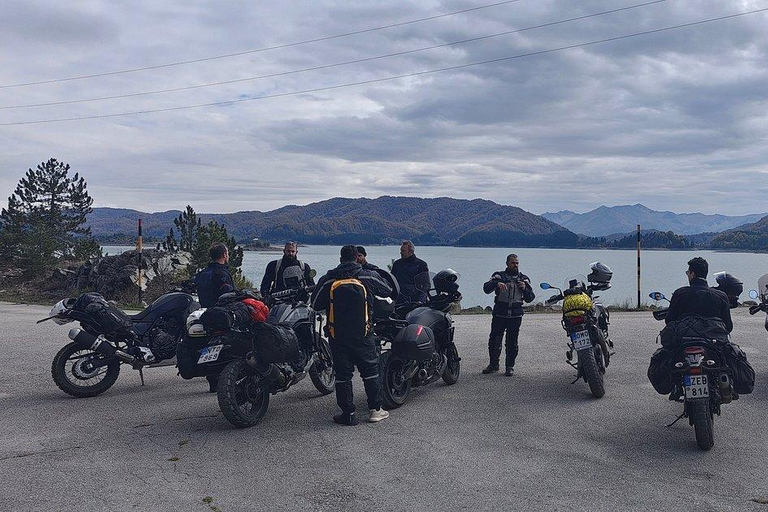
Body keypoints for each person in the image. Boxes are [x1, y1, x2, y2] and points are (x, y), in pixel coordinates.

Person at [312, 245, 392, 425]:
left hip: (337, 335)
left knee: (343, 374)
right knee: (370, 371)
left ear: (340, 259)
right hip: (363, 333)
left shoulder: (329, 278)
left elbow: (315, 303)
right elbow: (387, 290)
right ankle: (375, 410)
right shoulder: (367, 276)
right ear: (357, 257)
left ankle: (348, 413)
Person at [482, 253, 535, 376]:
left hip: (515, 316)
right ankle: (493, 364)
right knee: (495, 341)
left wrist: (524, 289)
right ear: (507, 263)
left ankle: (509, 366)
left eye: (517, 263)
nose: (515, 265)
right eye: (512, 263)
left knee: (512, 342)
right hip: (500, 314)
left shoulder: (524, 278)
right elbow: (486, 288)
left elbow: (530, 298)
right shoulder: (498, 275)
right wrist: (496, 284)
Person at [194, 242, 235, 392]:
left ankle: (212, 380)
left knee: (209, 346)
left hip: (206, 314)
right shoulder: (221, 273)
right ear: (224, 255)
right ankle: (224, 378)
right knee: (226, 347)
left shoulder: (202, 273)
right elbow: (228, 294)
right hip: (221, 314)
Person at [665, 257, 732, 332]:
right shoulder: (721, 296)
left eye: (688, 272)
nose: (687, 275)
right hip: (713, 341)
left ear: (692, 274)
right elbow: (728, 326)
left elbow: (669, 321)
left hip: (683, 340)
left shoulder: (679, 293)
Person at [391, 240, 429, 307]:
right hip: (398, 300)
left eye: (403, 251)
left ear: (411, 251)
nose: (401, 253)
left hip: (414, 301)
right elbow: (391, 281)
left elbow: (425, 286)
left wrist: (421, 301)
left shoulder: (421, 265)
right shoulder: (397, 264)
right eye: (401, 250)